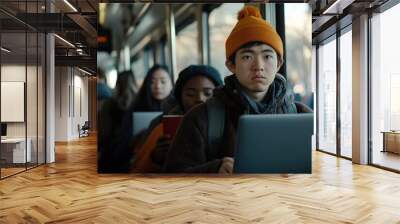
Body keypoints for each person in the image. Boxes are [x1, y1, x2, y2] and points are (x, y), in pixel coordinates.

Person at [164, 6, 301, 174]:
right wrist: (214, 169)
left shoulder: (298, 114)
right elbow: (172, 178)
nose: (258, 66)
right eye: (247, 57)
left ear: (279, 64)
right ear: (231, 65)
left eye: (267, 56)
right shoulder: (201, 118)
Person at [132, 65, 223, 172]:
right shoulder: (160, 125)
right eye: (190, 94)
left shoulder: (229, 121)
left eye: (208, 93)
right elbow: (135, 170)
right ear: (180, 97)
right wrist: (155, 158)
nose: (200, 99)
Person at [98, 71, 137, 173]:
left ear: (117, 83)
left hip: (112, 153)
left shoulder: (109, 104)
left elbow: (104, 133)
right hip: (134, 150)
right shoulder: (140, 103)